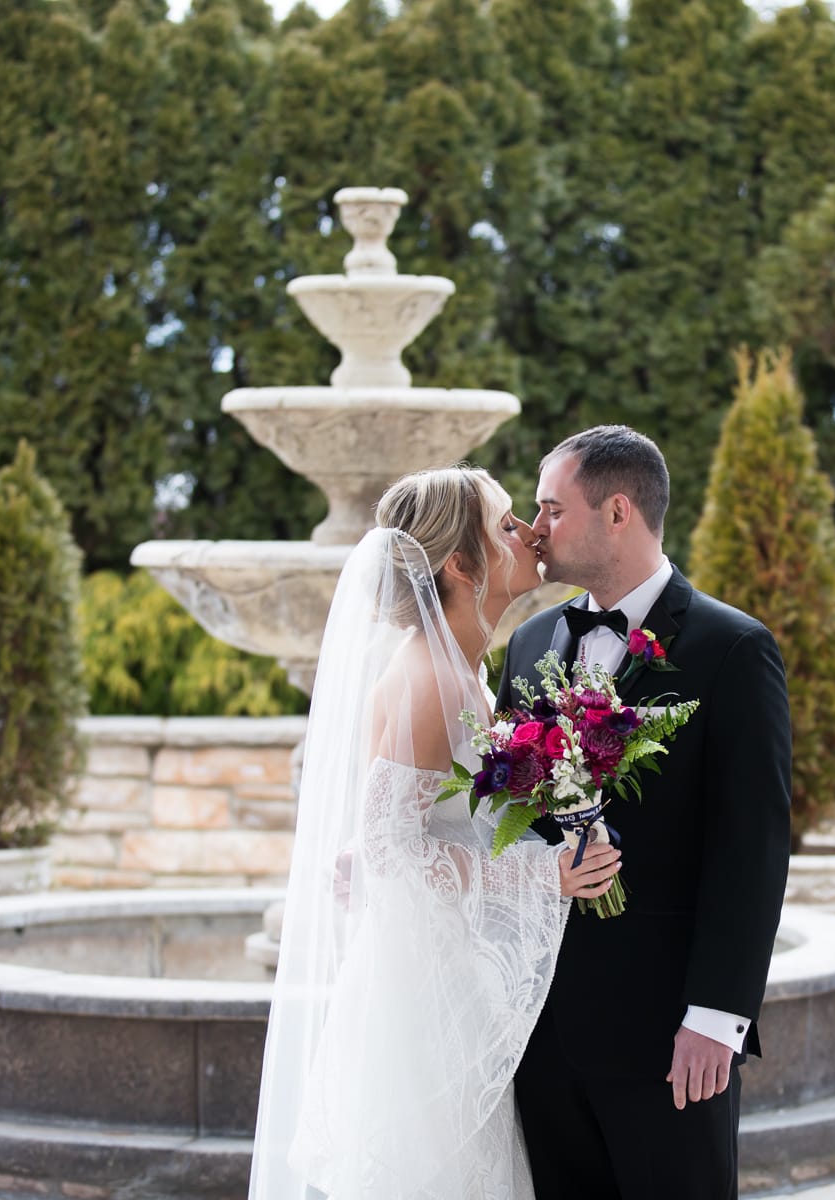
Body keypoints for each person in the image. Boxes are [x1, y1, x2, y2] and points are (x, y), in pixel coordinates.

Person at [248, 466, 623, 1200]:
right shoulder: (435, 681)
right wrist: (544, 874)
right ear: (459, 564)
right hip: (427, 1000)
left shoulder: (468, 673)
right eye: (507, 524)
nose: (527, 534)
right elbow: (392, 851)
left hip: (451, 973)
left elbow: (389, 832)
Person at [503, 426, 793, 1200]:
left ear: (618, 511)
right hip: (541, 1033)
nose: (536, 530)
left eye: (552, 509)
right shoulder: (528, 643)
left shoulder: (733, 649)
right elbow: (506, 820)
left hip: (668, 1037)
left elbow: (753, 851)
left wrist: (718, 1017)